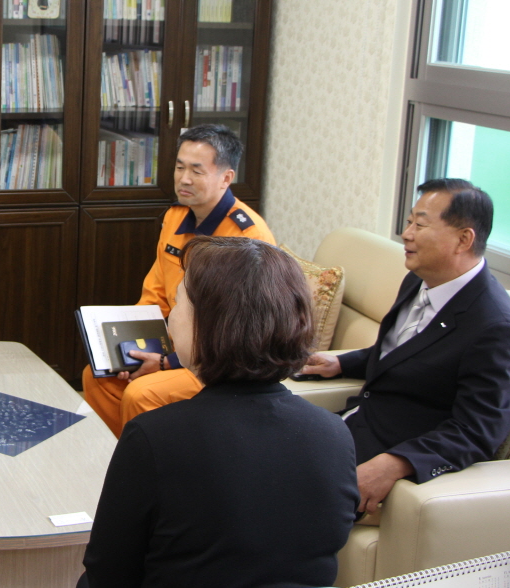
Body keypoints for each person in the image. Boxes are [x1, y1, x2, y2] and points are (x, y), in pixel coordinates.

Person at [80, 236, 358, 587]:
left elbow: (107, 573)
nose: (170, 317)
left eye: (178, 303)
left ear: (209, 324)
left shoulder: (155, 438)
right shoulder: (334, 433)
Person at [301, 179, 510, 518]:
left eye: (420, 225)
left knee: (270, 500)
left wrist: (395, 464)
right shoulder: (418, 279)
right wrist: (342, 363)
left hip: (386, 453)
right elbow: (407, 353)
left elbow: (476, 432)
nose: (406, 234)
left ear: (463, 239)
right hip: (351, 427)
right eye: (409, 222)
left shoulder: (496, 327)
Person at [82, 124, 276, 436]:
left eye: (197, 171)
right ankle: (122, 453)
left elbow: (239, 332)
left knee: (140, 394)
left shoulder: (247, 237)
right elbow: (156, 292)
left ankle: (150, 461)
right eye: (179, 167)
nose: (184, 179)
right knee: (99, 376)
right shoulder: (176, 217)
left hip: (221, 362)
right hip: (173, 342)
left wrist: (165, 363)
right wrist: (128, 346)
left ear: (226, 178)